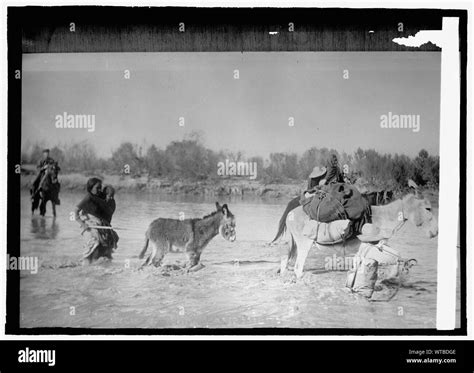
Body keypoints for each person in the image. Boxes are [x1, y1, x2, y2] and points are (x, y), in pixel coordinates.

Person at [74, 178, 119, 263]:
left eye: (100, 188)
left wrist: (110, 196)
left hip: (101, 224)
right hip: (90, 225)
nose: (99, 190)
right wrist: (82, 224)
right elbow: (75, 212)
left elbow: (109, 192)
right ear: (91, 187)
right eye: (97, 188)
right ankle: (88, 265)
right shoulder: (88, 197)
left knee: (109, 242)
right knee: (95, 243)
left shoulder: (101, 196)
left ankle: (104, 267)